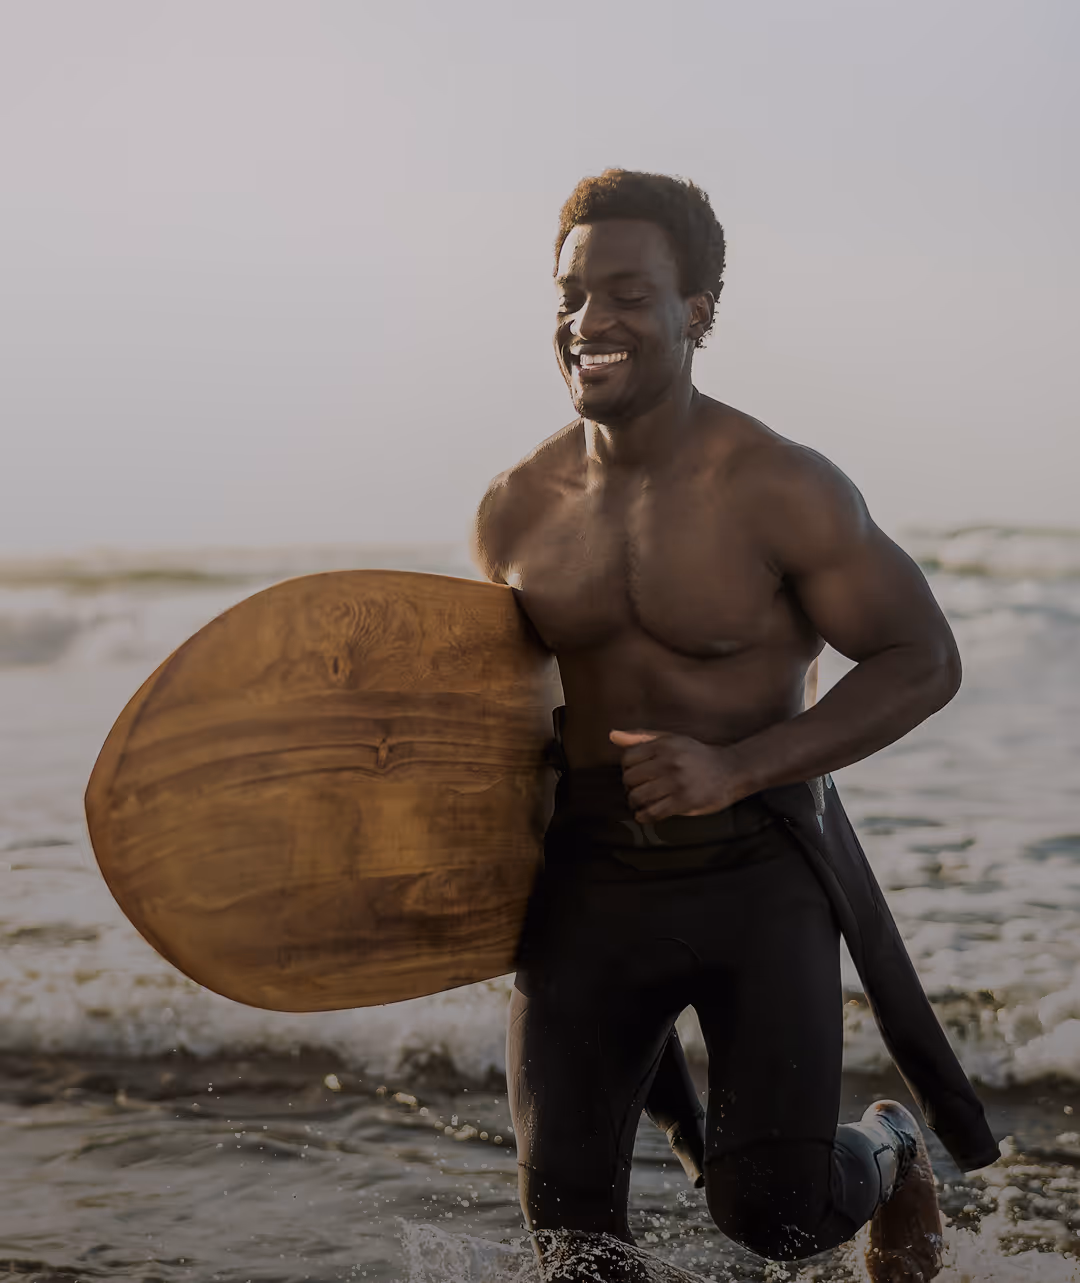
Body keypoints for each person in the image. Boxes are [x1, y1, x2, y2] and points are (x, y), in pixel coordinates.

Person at [473, 170, 998, 1281]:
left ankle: (892, 1146)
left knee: (779, 1215)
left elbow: (923, 657)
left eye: (626, 292)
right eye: (571, 295)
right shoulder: (514, 509)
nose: (588, 322)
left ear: (697, 308)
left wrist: (738, 764)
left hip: (755, 867)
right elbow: (487, 719)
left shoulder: (779, 486)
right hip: (589, 879)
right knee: (573, 1243)